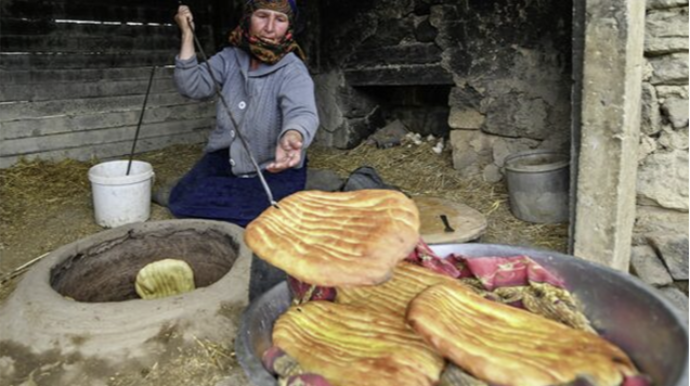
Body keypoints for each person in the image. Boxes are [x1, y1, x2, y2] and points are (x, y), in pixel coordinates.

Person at [172, 0, 319, 301]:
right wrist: (187, 34)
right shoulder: (230, 57)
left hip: (271, 164)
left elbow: (303, 112)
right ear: (247, 18)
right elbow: (193, 86)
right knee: (180, 202)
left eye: (279, 20)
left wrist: (292, 135)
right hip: (226, 157)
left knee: (269, 219)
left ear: (288, 27)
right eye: (262, 16)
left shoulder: (292, 69)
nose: (269, 27)